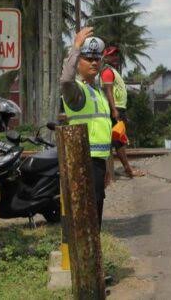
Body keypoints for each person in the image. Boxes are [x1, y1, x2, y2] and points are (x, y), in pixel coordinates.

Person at [60, 27, 112, 226]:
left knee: (95, 212)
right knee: (87, 216)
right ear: (78, 62)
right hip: (83, 159)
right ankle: (86, 257)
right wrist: (75, 47)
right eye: (88, 58)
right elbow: (66, 80)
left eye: (97, 59)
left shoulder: (97, 92)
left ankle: (91, 255)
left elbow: (103, 132)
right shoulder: (77, 92)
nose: (94, 62)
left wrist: (107, 165)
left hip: (97, 162)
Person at [100, 46, 145, 178]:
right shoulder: (107, 71)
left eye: (116, 55)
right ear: (106, 57)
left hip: (119, 108)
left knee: (119, 140)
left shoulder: (112, 70)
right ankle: (128, 170)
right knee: (119, 141)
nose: (116, 57)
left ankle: (118, 171)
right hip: (116, 109)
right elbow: (108, 91)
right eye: (112, 55)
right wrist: (114, 110)